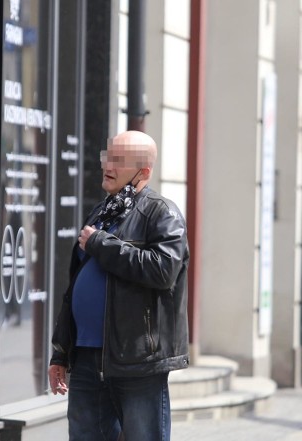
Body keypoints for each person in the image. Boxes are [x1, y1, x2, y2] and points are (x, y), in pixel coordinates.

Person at [48, 130, 189, 441]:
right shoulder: (102, 212)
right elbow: (74, 290)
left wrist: (102, 244)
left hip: (136, 361)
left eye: (118, 160)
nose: (107, 165)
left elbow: (164, 270)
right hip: (86, 357)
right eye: (107, 156)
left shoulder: (161, 212)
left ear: (144, 172)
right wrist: (61, 352)